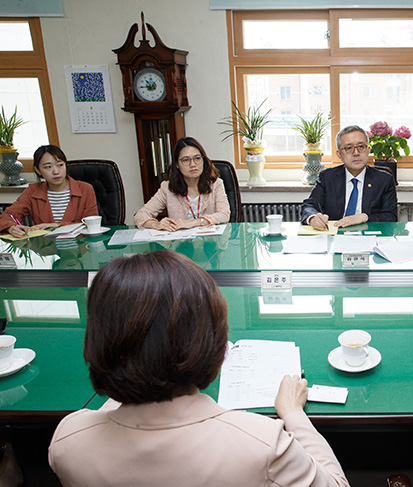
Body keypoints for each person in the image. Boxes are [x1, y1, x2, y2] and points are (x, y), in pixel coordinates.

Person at [48, 250, 350, 487]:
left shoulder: (67, 442)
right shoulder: (262, 443)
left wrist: (128, 374)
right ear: (211, 342)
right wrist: (294, 414)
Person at [301, 125, 397, 230]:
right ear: (339, 154)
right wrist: (313, 217)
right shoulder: (327, 177)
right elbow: (309, 205)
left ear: (368, 150)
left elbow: (391, 216)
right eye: (349, 148)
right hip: (336, 237)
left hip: (369, 236)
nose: (356, 153)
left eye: (361, 147)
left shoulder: (384, 180)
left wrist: (365, 217)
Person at [134, 137, 230, 230]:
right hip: (180, 243)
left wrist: (193, 222)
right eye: (186, 160)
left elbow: (224, 215)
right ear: (177, 164)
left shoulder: (215, 184)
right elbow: (140, 215)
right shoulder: (167, 188)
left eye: (197, 158)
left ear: (203, 160)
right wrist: (157, 224)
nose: (192, 164)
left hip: (210, 243)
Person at [0, 145, 97, 237]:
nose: (56, 171)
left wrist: (58, 225)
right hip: (45, 250)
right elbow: (8, 216)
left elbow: (92, 223)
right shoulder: (32, 191)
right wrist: (10, 227)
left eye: (60, 165)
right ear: (38, 170)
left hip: (79, 248)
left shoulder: (85, 189)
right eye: (48, 167)